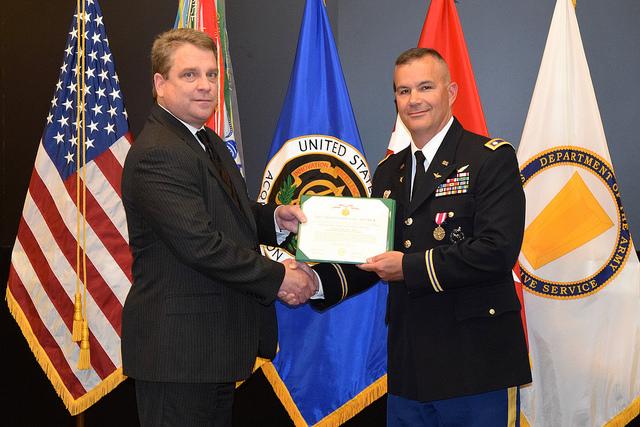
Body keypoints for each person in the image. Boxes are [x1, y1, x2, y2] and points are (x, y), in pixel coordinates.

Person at [307, 48, 531, 425]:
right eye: (403, 91)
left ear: (451, 91)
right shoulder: (388, 170)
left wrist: (408, 267)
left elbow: (497, 250)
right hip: (410, 363)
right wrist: (312, 281)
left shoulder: (489, 158)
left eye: (425, 87)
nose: (414, 100)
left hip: (474, 362)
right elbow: (372, 255)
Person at [121, 28, 316, 426]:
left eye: (212, 75)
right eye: (189, 75)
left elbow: (227, 213)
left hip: (208, 351)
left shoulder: (204, 140)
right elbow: (200, 243)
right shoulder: (159, 152)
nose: (205, 86)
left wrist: (274, 219)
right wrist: (279, 277)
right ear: (160, 84)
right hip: (178, 356)